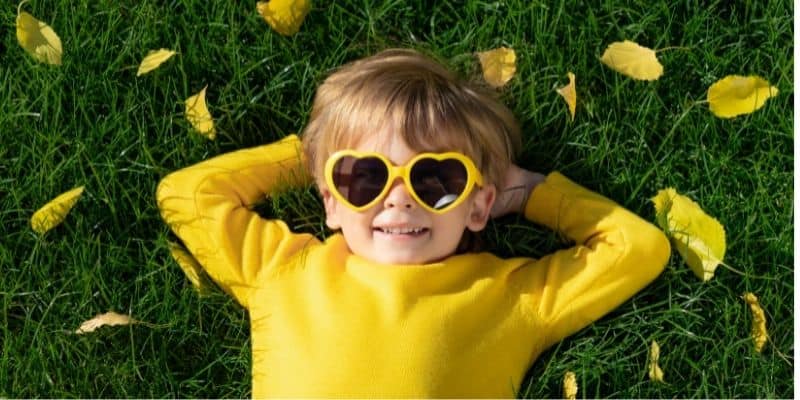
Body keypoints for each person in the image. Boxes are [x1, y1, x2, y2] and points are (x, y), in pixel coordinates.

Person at [156, 48, 671, 398]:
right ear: (330, 202)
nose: (399, 200)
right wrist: (310, 154)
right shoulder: (284, 270)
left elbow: (638, 247)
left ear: (478, 206)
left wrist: (531, 193)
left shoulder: (510, 295)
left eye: (435, 179)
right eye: (364, 176)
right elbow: (186, 194)